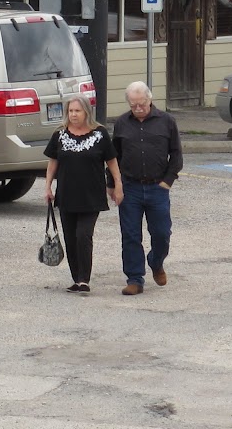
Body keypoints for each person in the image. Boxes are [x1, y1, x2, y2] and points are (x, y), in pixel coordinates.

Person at [44, 98, 124, 294]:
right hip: (67, 195)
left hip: (91, 196)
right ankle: (76, 278)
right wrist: (47, 187)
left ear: (86, 112)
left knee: (83, 235)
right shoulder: (60, 134)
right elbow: (53, 162)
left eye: (77, 111)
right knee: (70, 238)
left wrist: (118, 184)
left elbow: (112, 161)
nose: (73, 114)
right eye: (70, 111)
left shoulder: (100, 134)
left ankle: (84, 279)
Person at [112, 81, 182, 296]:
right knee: (130, 235)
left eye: (141, 104)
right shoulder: (121, 123)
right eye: (133, 105)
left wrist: (167, 181)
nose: (138, 108)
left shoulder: (167, 121)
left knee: (162, 233)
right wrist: (113, 184)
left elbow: (176, 155)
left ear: (149, 99)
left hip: (157, 187)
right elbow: (114, 157)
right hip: (130, 187)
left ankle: (156, 261)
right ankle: (135, 278)